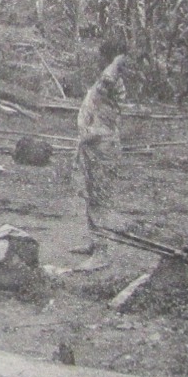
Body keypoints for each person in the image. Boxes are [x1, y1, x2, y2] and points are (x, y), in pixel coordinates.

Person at [74, 40, 131, 250]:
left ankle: (102, 251)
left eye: (100, 55)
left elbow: (108, 76)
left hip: (104, 144)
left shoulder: (111, 80)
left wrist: (117, 58)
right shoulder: (105, 79)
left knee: (100, 197)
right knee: (91, 196)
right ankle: (94, 242)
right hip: (93, 143)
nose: (96, 58)